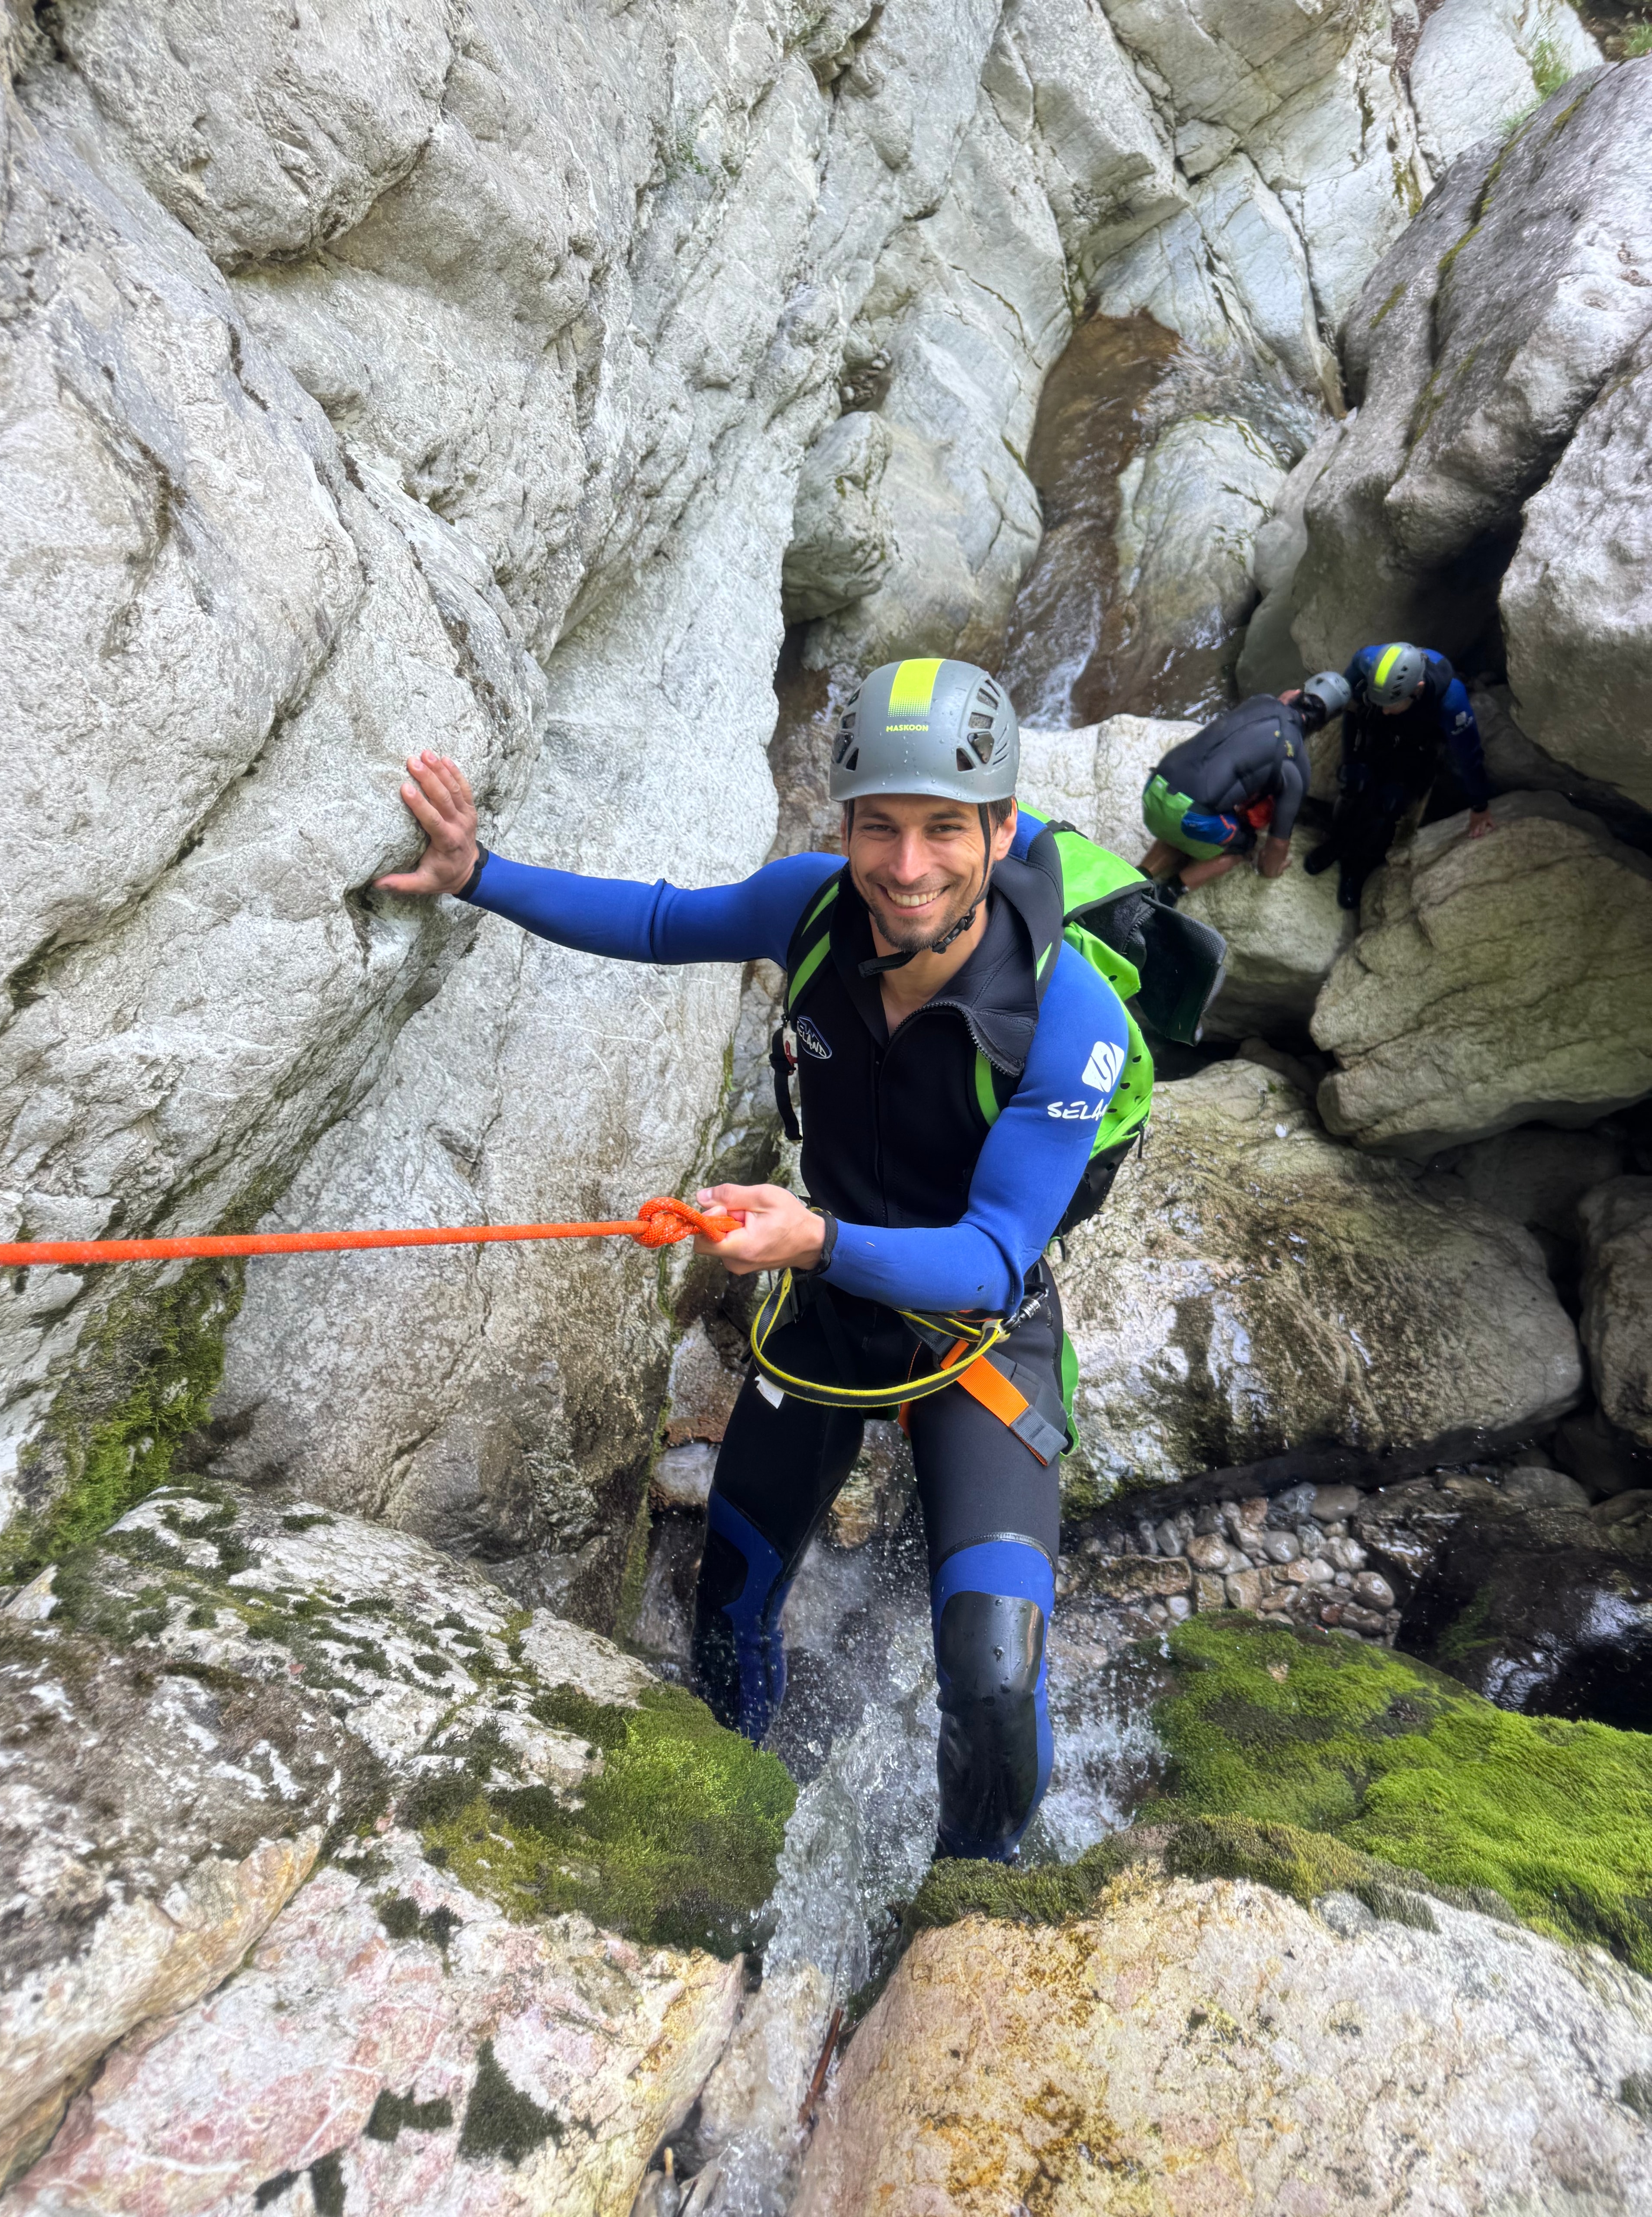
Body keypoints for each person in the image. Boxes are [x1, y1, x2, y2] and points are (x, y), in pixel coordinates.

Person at [374, 656, 1133, 1863]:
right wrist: (479, 874)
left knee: (993, 1672)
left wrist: (813, 1236)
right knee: (728, 1595)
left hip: (977, 1337)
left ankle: (965, 1896)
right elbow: (660, 921)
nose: (907, 865)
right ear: (843, 826)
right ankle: (729, 1815)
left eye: (945, 828)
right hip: (829, 1314)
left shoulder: (1069, 1015)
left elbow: (993, 1260)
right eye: (879, 826)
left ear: (1001, 831)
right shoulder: (810, 909)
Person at [1304, 641, 1496, 910]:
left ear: (1417, 689)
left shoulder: (1451, 700)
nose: (1386, 708)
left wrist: (1480, 805)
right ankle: (1337, 843)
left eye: (1392, 703)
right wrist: (1350, 758)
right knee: (1354, 784)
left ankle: (1358, 867)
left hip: (1416, 744)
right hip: (1373, 724)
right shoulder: (1367, 661)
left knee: (1390, 804)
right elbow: (1349, 705)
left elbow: (1469, 755)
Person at [1139, 672, 1352, 892]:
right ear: (1322, 726)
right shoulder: (1297, 766)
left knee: (1181, 818)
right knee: (1243, 844)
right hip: (1192, 818)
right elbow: (1276, 846)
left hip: (1154, 789)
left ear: (1297, 693)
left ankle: (1139, 876)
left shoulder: (1260, 700)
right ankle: (1171, 891)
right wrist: (1273, 869)